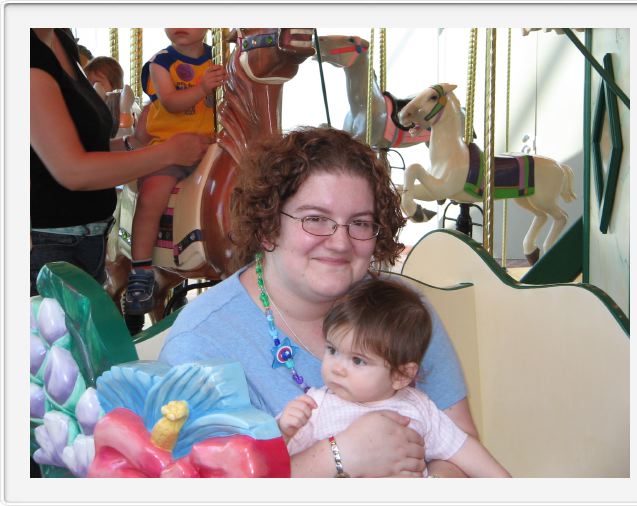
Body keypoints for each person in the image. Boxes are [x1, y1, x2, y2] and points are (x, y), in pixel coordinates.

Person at [159, 126, 478, 477]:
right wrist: (335, 458)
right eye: (315, 219)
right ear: (268, 226)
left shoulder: (401, 311)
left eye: (359, 223)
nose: (340, 242)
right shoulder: (203, 343)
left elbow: (461, 452)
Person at [30, 28, 212, 298]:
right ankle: (141, 269)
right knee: (151, 197)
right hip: (48, 244)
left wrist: (133, 143)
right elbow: (71, 170)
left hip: (92, 239)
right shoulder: (24, 52)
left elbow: (84, 144)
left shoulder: (61, 39)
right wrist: (167, 153)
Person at [278, 278, 511, 477]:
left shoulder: (419, 407)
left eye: (358, 360)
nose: (337, 368)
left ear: (401, 375)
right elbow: (276, 467)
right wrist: (283, 430)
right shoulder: (316, 407)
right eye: (332, 350)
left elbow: (461, 449)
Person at [124, 28, 227, 315]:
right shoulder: (162, 63)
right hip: (170, 149)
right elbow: (170, 101)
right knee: (151, 197)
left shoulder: (218, 60)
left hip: (208, 149)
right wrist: (203, 88)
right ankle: (141, 270)